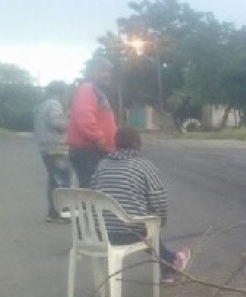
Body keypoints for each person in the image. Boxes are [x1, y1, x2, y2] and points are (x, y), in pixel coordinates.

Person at [91, 127, 190, 283]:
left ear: (116, 144)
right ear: (138, 144)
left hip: (100, 234)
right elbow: (159, 200)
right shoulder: (144, 166)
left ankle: (170, 264)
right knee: (148, 227)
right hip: (131, 233)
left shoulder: (102, 165)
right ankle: (172, 262)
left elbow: (93, 192)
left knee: (141, 224)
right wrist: (159, 222)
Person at [66, 57, 116, 188]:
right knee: (91, 192)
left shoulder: (96, 91)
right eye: (102, 71)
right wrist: (99, 138)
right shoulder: (87, 89)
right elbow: (84, 117)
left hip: (92, 150)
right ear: (91, 72)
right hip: (88, 150)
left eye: (108, 71)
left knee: (94, 191)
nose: (107, 75)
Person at [33, 81, 72, 223]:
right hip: (57, 147)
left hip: (45, 148)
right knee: (63, 181)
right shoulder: (54, 104)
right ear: (60, 92)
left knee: (54, 181)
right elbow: (58, 124)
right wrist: (69, 120)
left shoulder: (40, 106)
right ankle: (63, 213)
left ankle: (52, 213)